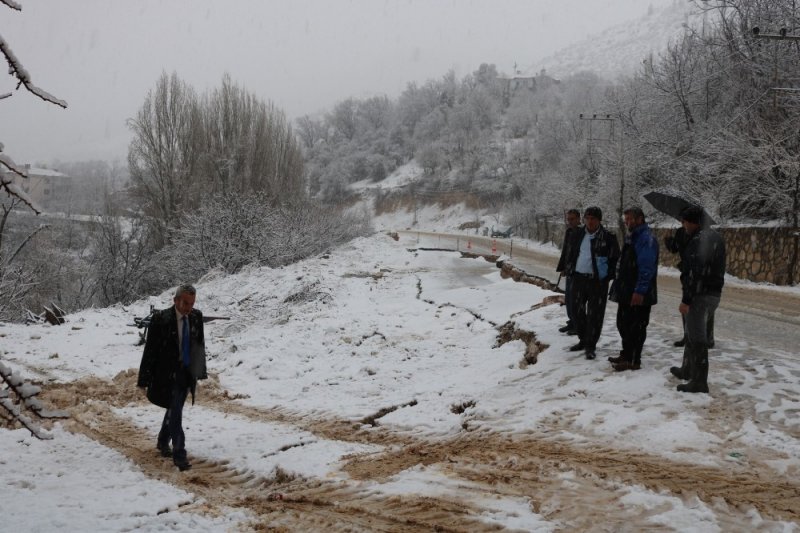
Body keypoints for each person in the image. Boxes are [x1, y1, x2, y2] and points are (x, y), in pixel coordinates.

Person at [137, 284, 207, 471]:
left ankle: (162, 441)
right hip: (167, 374)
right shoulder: (161, 319)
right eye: (185, 303)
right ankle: (179, 454)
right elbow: (150, 350)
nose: (189, 307)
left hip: (187, 373)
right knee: (176, 411)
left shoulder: (196, 317)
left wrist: (199, 372)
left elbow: (199, 346)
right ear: (175, 300)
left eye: (192, 303)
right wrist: (144, 379)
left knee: (174, 408)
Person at [672, 206, 725, 393]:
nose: (683, 225)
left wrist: (686, 299)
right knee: (691, 332)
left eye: (685, 222)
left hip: (700, 295)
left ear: (694, 222)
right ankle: (687, 369)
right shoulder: (715, 237)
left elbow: (696, 273)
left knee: (697, 338)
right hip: (713, 292)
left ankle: (699, 381)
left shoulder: (698, 240)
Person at [566, 206, 620, 360]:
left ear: (599, 220)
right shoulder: (577, 234)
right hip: (578, 278)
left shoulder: (608, 237)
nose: (590, 222)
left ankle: (590, 345)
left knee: (595, 314)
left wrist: (607, 276)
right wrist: (569, 269)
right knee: (575, 310)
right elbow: (571, 254)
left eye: (593, 219)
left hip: (597, 281)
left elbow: (615, 259)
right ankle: (583, 339)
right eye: (587, 218)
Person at [608, 207, 658, 371]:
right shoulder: (633, 236)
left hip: (638, 292)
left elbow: (646, 267)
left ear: (640, 219)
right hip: (627, 290)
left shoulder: (646, 239)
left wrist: (640, 290)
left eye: (630, 219)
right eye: (626, 219)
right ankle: (627, 353)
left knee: (636, 326)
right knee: (623, 323)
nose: (627, 222)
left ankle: (634, 359)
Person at [665, 224, 716, 353]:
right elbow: (674, 248)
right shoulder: (681, 232)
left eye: (686, 220)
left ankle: (708, 337)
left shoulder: (704, 234)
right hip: (688, 273)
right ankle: (687, 335)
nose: (684, 223)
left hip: (704, 273)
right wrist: (668, 240)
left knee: (705, 304)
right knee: (687, 302)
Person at [556, 208, 582, 335]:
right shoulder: (569, 232)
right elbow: (565, 251)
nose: (570, 221)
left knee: (576, 300)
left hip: (578, 271)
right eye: (568, 219)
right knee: (569, 298)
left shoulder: (582, 233)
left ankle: (578, 324)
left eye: (572, 219)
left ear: (578, 219)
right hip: (569, 270)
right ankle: (572, 321)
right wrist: (563, 267)